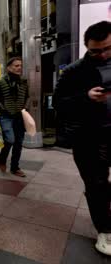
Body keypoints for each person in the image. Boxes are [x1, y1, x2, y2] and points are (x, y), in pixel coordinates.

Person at [53, 21, 111, 255]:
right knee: (96, 185)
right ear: (87, 46)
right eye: (96, 50)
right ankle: (105, 230)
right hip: (89, 137)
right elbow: (58, 103)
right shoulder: (74, 71)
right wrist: (85, 97)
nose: (103, 54)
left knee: (102, 187)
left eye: (108, 48)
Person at [0, 57, 29, 177]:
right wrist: (2, 108)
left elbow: (27, 96)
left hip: (19, 115)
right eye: (16, 65)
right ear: (9, 68)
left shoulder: (23, 81)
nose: (19, 68)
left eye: (20, 65)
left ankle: (15, 167)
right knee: (10, 140)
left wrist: (25, 107)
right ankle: (2, 159)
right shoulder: (0, 82)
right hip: (6, 116)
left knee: (18, 142)